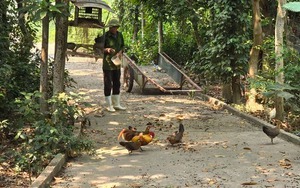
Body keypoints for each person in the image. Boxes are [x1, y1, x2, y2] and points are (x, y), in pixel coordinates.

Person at [102, 18, 126, 112]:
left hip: (116, 63)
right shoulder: (105, 36)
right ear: (110, 27)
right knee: (108, 84)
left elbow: (123, 46)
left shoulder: (120, 35)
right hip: (107, 64)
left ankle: (116, 104)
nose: (114, 29)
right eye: (112, 27)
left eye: (115, 27)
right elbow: (99, 48)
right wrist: (107, 50)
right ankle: (109, 105)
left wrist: (120, 52)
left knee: (117, 83)